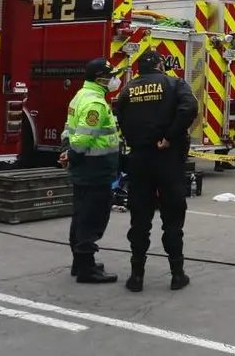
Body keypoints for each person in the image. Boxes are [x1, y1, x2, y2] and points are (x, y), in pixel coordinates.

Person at [115, 50, 199, 292]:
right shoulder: (174, 84)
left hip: (139, 159)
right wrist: (169, 136)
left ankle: (136, 276)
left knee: (140, 219)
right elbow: (189, 108)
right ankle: (177, 274)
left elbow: (120, 116)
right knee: (172, 219)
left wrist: (137, 139)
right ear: (160, 65)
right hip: (168, 159)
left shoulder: (128, 89)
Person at [60, 58, 122, 284]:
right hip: (95, 169)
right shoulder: (95, 103)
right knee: (92, 217)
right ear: (100, 78)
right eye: (111, 76)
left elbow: (68, 130)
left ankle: (80, 262)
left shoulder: (80, 96)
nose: (115, 80)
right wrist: (72, 155)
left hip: (85, 168)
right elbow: (83, 138)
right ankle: (87, 268)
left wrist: (66, 152)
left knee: (81, 215)